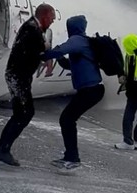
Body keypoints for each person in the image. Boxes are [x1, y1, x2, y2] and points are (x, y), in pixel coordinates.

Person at [0, 3, 55, 166]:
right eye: (52, 19)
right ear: (45, 16)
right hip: (17, 76)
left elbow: (38, 49)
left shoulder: (34, 28)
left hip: (19, 76)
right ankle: (2, 150)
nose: (52, 22)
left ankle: (1, 149)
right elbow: (39, 49)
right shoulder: (32, 29)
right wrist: (49, 54)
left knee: (23, 113)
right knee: (24, 113)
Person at [42, 15, 105, 171]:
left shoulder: (77, 40)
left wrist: (43, 55)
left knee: (67, 119)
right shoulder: (85, 42)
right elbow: (73, 66)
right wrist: (61, 59)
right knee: (68, 119)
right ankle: (71, 155)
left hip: (91, 90)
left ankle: (72, 158)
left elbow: (60, 50)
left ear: (72, 27)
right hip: (93, 90)